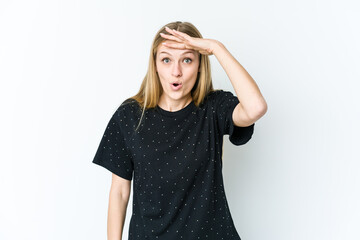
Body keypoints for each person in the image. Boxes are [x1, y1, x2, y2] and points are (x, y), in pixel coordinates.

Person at [92, 21, 267, 240]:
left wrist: (217, 48)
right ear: (155, 65)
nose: (176, 72)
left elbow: (256, 107)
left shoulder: (213, 108)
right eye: (166, 60)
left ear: (200, 64)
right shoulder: (129, 115)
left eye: (187, 60)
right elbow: (119, 192)